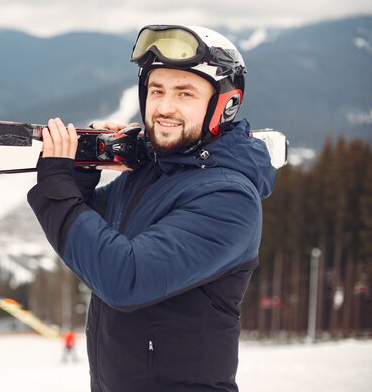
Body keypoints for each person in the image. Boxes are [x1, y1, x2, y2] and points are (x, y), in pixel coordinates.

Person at [27, 25, 276, 392]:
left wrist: (57, 185)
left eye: (185, 93)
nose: (164, 107)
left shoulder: (228, 198)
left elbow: (124, 277)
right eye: (156, 90)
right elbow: (90, 236)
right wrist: (82, 170)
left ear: (226, 105)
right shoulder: (153, 173)